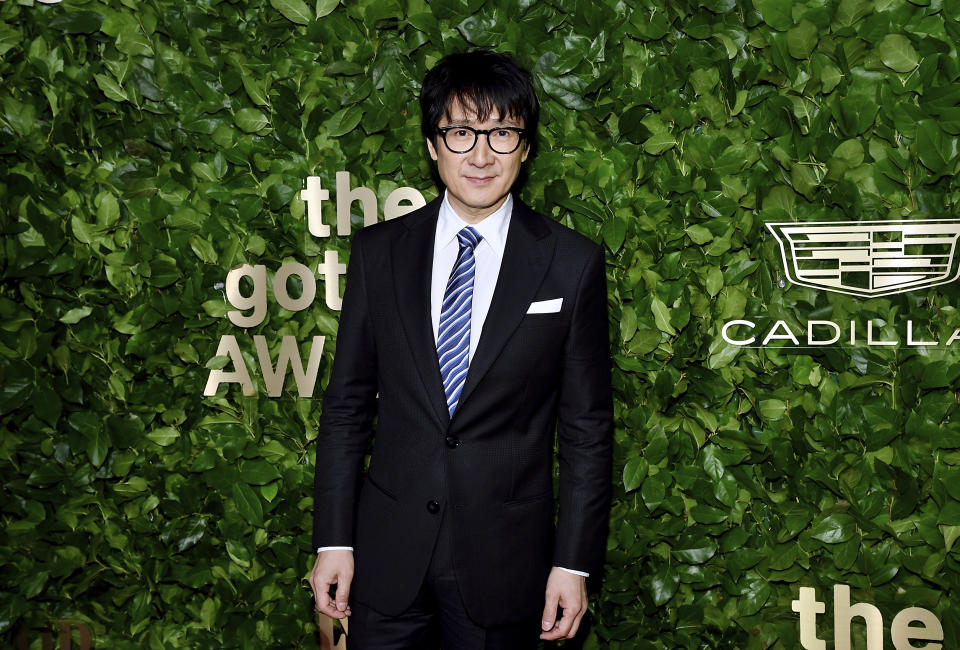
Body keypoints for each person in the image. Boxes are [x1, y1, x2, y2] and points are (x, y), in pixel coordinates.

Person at [309, 49, 613, 649]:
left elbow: (586, 429)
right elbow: (346, 406)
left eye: (501, 132)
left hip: (505, 563)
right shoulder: (379, 252)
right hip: (386, 559)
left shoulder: (571, 263)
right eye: (460, 132)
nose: (480, 154)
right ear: (432, 145)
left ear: (525, 147)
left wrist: (573, 564)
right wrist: (334, 540)